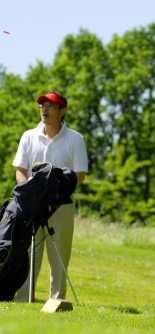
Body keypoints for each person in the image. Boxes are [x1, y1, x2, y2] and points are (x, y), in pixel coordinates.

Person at [13, 91, 88, 301]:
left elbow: (79, 174)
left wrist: (56, 192)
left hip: (61, 206)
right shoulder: (29, 136)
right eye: (42, 106)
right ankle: (23, 298)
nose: (44, 110)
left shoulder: (75, 139)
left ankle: (57, 300)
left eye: (50, 106)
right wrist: (28, 191)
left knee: (59, 256)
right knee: (27, 254)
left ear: (62, 111)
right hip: (32, 206)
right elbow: (20, 169)